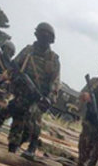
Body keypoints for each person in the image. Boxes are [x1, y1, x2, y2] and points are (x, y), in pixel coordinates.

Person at [6, 22, 60, 158]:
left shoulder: (53, 59)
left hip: (40, 95)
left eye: (46, 35)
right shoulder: (27, 51)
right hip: (23, 91)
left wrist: (49, 98)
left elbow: (55, 81)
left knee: (34, 118)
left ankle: (32, 146)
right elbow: (14, 67)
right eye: (41, 33)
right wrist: (14, 79)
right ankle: (13, 145)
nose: (43, 37)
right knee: (18, 116)